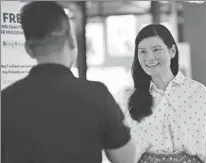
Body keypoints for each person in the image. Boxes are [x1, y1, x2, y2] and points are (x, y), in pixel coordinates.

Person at [1, 2, 136, 163]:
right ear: (72, 40)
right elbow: (126, 159)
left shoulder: (5, 100)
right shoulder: (97, 95)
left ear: (28, 49)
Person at [125, 24, 206, 163]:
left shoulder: (198, 93)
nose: (149, 58)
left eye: (156, 50)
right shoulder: (131, 99)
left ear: (172, 51)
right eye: (142, 52)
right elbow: (125, 152)